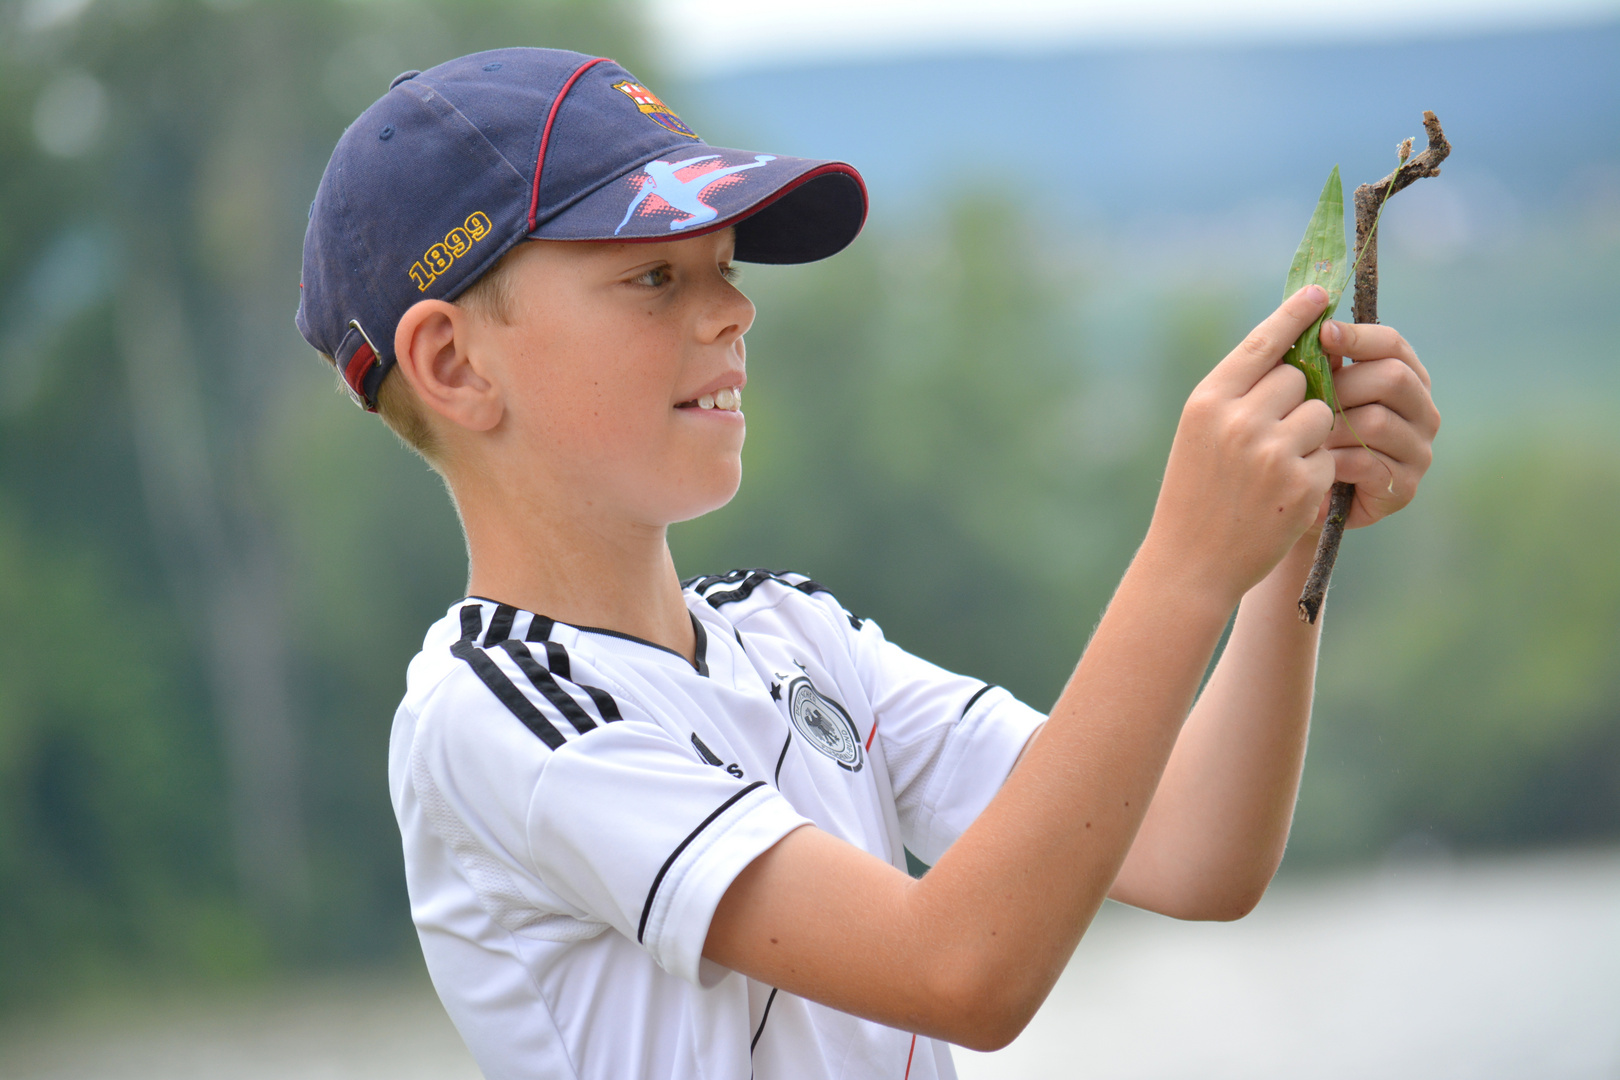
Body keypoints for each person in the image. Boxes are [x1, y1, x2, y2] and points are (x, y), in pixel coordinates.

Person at [295, 48, 1440, 1080]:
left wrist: (1287, 537)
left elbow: (1197, 850)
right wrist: (1185, 561)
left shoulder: (793, 634)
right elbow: (960, 973)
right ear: (453, 364)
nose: (735, 310)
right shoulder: (500, 716)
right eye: (655, 278)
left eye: (726, 264)